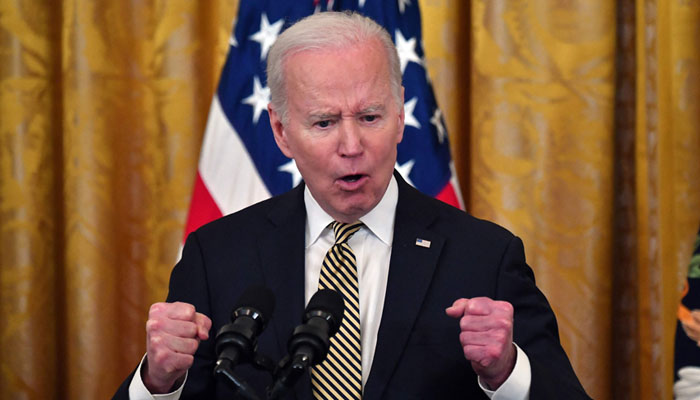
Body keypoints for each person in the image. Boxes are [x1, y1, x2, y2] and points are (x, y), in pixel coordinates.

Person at [114, 11, 589, 400]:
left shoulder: (484, 256)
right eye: (323, 123)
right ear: (281, 132)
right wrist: (158, 382)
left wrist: (507, 370)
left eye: (370, 116)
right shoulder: (216, 255)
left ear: (401, 114)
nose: (351, 145)